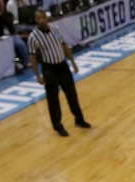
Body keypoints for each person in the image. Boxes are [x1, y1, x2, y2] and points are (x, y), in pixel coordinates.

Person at [27, 8, 88, 137]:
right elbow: (32, 56)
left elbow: (64, 45)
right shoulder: (33, 36)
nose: (41, 20)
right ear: (35, 20)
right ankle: (58, 125)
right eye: (38, 18)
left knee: (72, 94)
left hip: (63, 65)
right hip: (49, 69)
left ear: (46, 18)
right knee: (53, 99)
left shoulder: (56, 30)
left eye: (43, 17)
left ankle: (79, 119)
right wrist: (37, 75)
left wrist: (73, 62)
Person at [0, 0, 27, 67]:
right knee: (20, 44)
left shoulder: (8, 15)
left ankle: (26, 60)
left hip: (11, 35)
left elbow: (10, 25)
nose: (2, 5)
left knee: (23, 41)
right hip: (0, 38)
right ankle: (24, 62)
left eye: (2, 3)